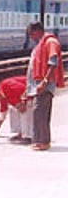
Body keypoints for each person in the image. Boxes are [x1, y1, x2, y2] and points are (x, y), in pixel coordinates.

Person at [25, 21, 65, 151]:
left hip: (45, 84)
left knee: (40, 111)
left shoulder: (50, 42)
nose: (31, 37)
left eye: (31, 34)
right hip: (39, 83)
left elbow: (53, 62)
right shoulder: (42, 43)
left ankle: (43, 141)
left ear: (38, 31)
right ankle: (41, 141)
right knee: (39, 111)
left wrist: (45, 81)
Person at [0, 75, 33, 142]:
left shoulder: (7, 84)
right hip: (26, 97)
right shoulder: (3, 98)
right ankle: (20, 133)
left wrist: (23, 101)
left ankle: (28, 135)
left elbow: (25, 88)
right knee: (13, 110)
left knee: (23, 110)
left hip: (32, 92)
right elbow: (2, 115)